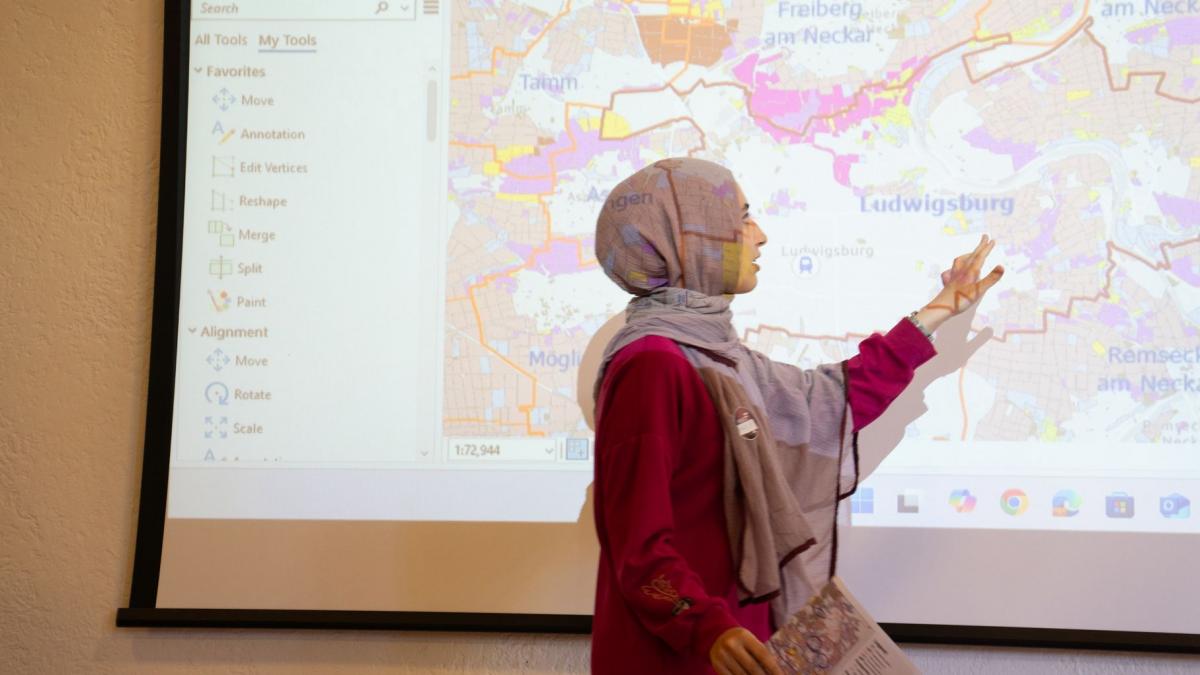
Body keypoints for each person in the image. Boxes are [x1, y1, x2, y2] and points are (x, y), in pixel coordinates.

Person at [589, 158, 1003, 675]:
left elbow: (832, 399)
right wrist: (705, 627)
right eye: (741, 218)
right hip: (683, 653)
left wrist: (941, 307)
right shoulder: (652, 365)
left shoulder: (723, 360)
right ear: (690, 238)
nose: (760, 235)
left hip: (738, 642)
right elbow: (637, 546)